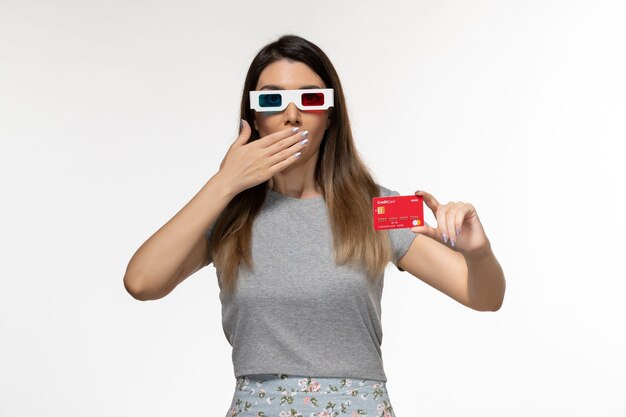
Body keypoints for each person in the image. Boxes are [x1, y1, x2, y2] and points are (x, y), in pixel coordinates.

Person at [123, 34, 506, 417]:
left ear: (330, 115)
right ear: (254, 118)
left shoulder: (380, 205)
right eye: (272, 100)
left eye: (310, 99)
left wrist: (479, 253)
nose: (292, 115)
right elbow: (141, 282)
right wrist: (224, 182)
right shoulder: (229, 215)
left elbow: (485, 297)